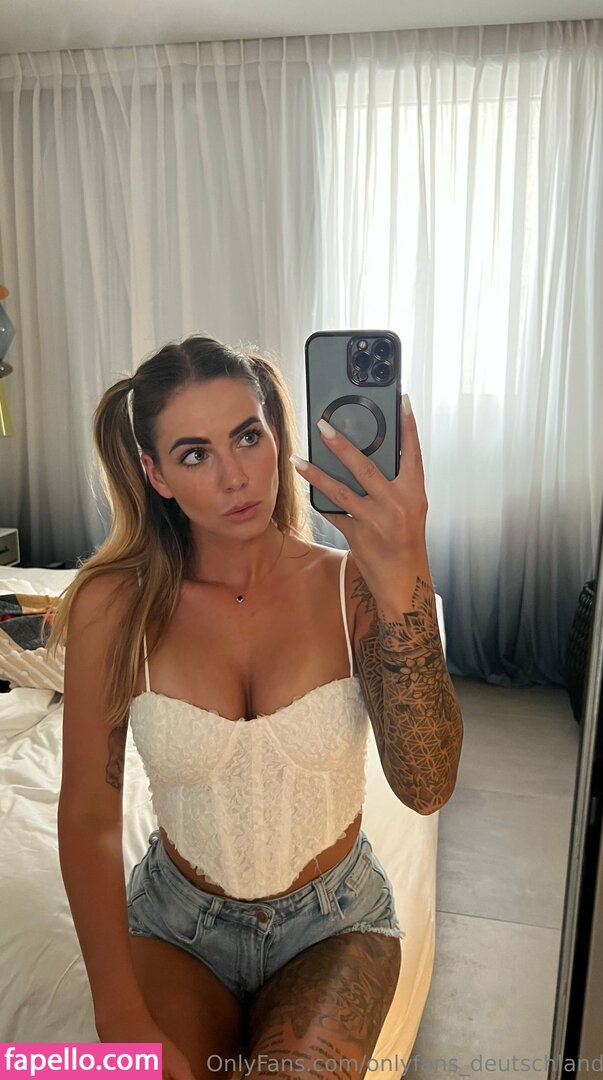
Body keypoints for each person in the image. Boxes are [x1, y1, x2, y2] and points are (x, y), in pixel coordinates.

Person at [52, 335, 463, 1080]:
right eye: (195, 454)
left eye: (247, 436)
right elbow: (88, 815)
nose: (236, 476)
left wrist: (407, 565)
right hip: (174, 926)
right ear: (156, 474)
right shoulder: (113, 609)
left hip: (335, 923)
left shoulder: (350, 586)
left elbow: (427, 784)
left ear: (277, 432)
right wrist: (118, 1013)